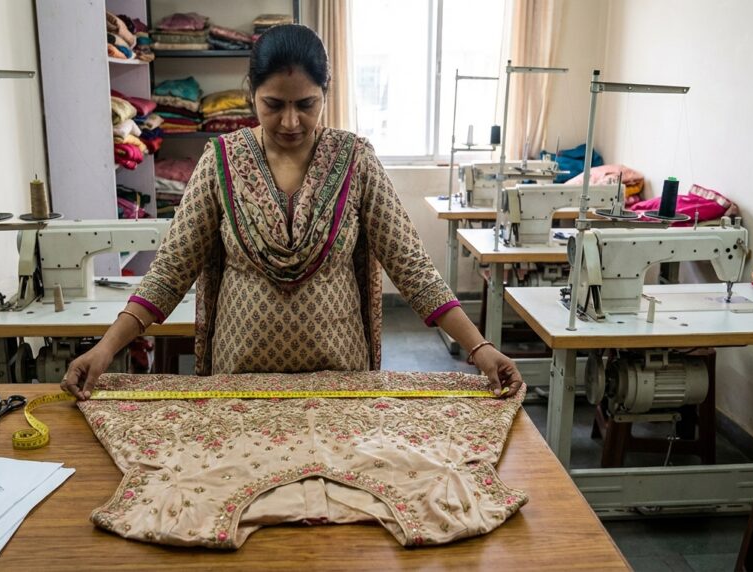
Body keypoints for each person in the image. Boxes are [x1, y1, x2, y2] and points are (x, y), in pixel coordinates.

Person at [61, 25, 522, 400]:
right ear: (251, 94)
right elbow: (170, 272)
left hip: (341, 382)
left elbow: (413, 268)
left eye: (306, 105)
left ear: (326, 92)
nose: (289, 122)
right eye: (273, 105)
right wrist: (104, 351)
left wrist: (480, 349)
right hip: (238, 383)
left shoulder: (355, 159)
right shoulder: (221, 160)